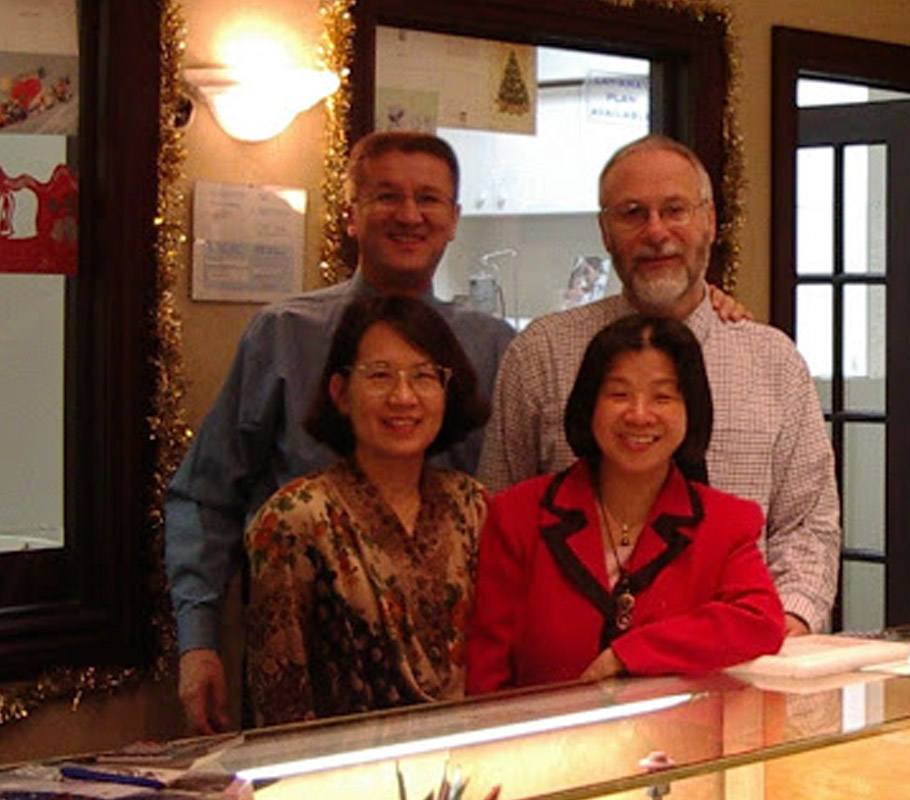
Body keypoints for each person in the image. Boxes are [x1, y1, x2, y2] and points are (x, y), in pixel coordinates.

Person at [166, 132, 514, 734]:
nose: (409, 215)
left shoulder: (494, 344)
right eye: (387, 196)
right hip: (309, 679)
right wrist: (197, 643)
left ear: (454, 219)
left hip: (460, 693)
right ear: (351, 214)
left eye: (429, 199)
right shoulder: (284, 334)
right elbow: (207, 494)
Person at [478, 134, 841, 642]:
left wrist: (776, 628)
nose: (656, 232)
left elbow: (808, 526)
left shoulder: (772, 361)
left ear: (710, 222)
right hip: (575, 682)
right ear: (605, 231)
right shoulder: (543, 354)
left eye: (675, 210)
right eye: (632, 213)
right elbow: (498, 517)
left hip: (746, 669)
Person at [466, 315, 785, 691]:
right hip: (540, 745)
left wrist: (630, 654)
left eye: (662, 397)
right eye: (619, 394)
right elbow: (486, 676)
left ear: (690, 410)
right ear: (589, 404)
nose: (638, 414)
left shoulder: (726, 522)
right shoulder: (518, 515)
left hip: (679, 745)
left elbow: (761, 623)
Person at [245, 294, 490, 724]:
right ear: (340, 393)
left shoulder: (471, 506)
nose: (403, 397)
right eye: (380, 376)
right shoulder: (295, 519)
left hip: (465, 770)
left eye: (423, 377)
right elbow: (281, 701)